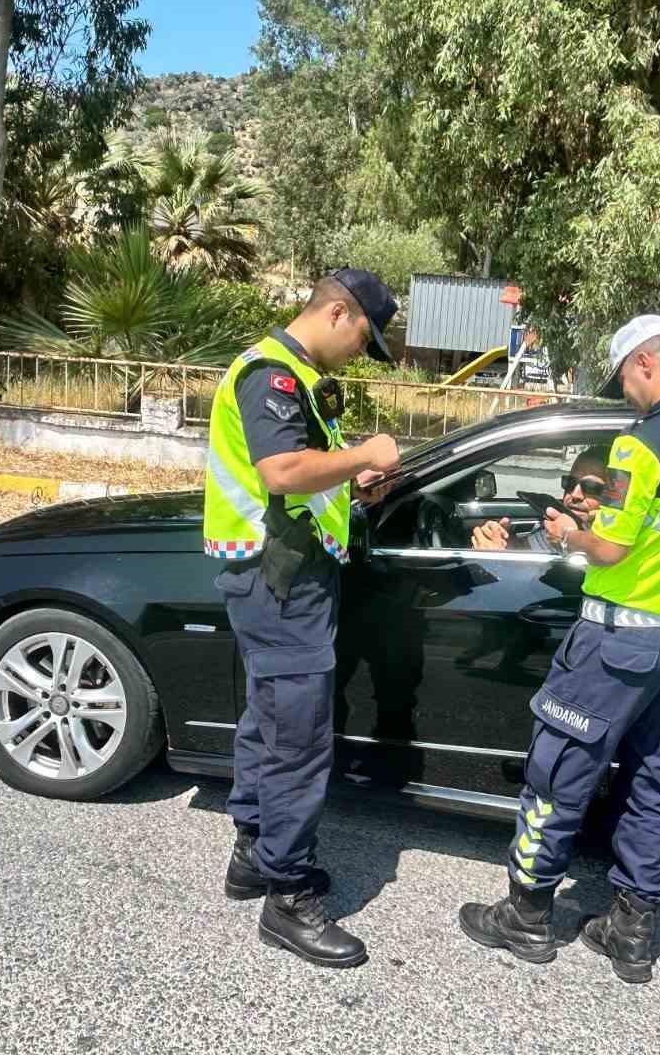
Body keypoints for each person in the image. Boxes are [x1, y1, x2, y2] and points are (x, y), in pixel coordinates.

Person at [457, 315, 660, 984]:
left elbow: (614, 547)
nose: (625, 391)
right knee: (651, 784)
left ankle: (526, 918)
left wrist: (570, 533)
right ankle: (631, 931)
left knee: (557, 774)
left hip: (619, 638)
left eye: (624, 377)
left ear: (647, 363)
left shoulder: (641, 446)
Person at [204, 268, 402, 969]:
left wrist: (355, 482)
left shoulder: (294, 374)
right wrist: (366, 454)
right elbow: (283, 472)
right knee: (299, 737)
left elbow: (307, 479)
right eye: (363, 339)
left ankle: (254, 854)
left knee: (269, 717)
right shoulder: (274, 375)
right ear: (338, 313)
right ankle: (288, 899)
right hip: (278, 579)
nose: (360, 354)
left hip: (283, 576)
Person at [469, 446, 613, 553]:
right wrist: (500, 540)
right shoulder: (558, 524)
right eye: (570, 483)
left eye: (591, 487)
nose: (575, 494)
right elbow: (527, 549)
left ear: (616, 496)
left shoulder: (616, 544)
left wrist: (571, 538)